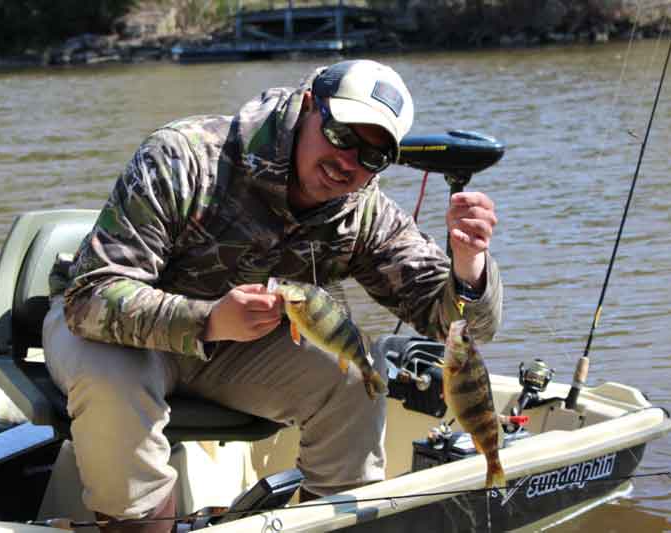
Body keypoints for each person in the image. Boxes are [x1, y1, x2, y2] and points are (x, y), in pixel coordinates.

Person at [42, 59, 502, 533]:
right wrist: (210, 320)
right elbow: (90, 296)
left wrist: (469, 266)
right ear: (307, 107)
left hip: (232, 352)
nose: (348, 163)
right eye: (342, 136)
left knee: (356, 380)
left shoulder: (363, 213)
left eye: (372, 156)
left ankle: (328, 525)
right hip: (113, 336)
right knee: (112, 383)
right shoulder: (185, 156)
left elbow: (463, 328)